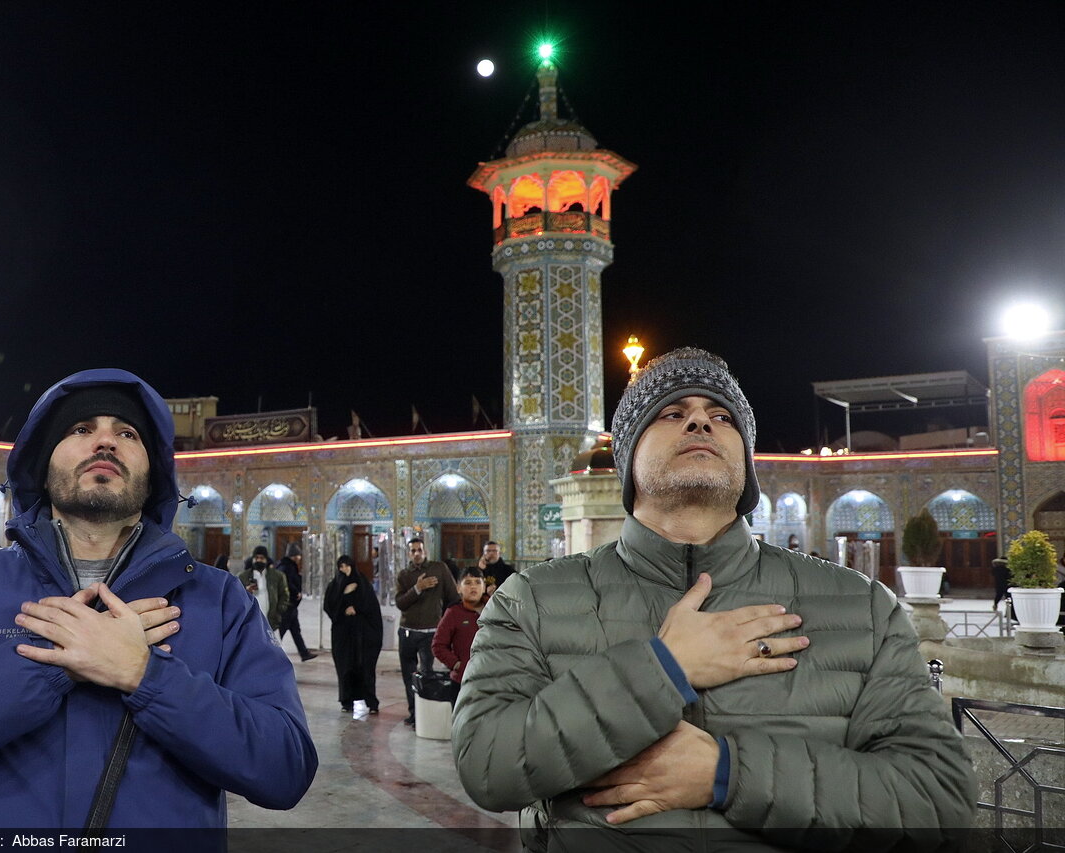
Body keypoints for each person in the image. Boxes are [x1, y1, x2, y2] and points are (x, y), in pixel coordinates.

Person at [453, 347, 976, 848]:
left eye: (722, 417)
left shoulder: (861, 608)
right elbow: (489, 766)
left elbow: (938, 802)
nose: (700, 422)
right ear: (627, 457)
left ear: (746, 463)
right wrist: (663, 668)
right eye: (672, 412)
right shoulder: (533, 601)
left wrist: (726, 774)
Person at [0, 368, 317, 829]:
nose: (106, 441)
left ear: (154, 471)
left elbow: (285, 768)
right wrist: (55, 661)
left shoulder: (216, 600)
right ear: (42, 464)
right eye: (80, 428)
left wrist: (146, 674)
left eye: (128, 433)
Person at [394, 537, 458, 727]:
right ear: (408, 553)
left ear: (425, 551)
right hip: (407, 631)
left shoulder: (439, 569)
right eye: (413, 551)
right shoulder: (404, 575)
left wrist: (446, 624)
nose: (416, 554)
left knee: (426, 673)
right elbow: (400, 603)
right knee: (408, 675)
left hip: (430, 632)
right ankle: (414, 713)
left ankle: (424, 715)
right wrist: (417, 589)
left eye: (419, 550)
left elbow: (453, 597)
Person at [323, 554, 381, 714]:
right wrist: (345, 594)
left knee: (365, 667)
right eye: (341, 567)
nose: (344, 570)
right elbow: (329, 605)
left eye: (347, 566)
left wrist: (356, 608)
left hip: (363, 634)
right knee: (345, 667)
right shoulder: (334, 585)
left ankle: (371, 702)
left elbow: (371, 606)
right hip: (343, 634)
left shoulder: (362, 583)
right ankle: (347, 701)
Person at [431, 567, 486, 704]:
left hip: (491, 683)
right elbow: (438, 646)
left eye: (477, 582)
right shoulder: (453, 613)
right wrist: (457, 664)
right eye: (467, 582)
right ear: (458, 588)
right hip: (462, 682)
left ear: (484, 587)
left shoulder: (495, 610)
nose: (473, 586)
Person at [276, 543, 317, 661]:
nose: (300, 557)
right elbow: (287, 583)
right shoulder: (287, 567)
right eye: (298, 555)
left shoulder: (287, 566)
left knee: (295, 630)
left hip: (292, 606)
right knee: (280, 631)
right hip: (287, 605)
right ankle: (270, 654)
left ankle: (304, 653)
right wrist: (296, 592)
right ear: (294, 556)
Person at [238, 546, 289, 631]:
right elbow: (236, 596)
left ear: (266, 560)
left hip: (271, 621)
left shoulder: (277, 576)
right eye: (256, 558)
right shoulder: (243, 577)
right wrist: (246, 591)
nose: (258, 560)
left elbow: (284, 595)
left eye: (261, 558)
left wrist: (279, 611)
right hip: (249, 621)